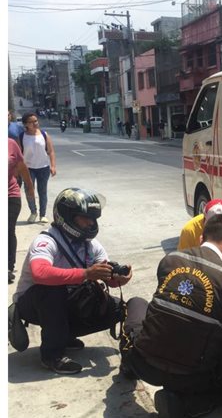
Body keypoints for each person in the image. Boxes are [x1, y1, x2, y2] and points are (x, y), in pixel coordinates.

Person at [122, 213, 222, 418]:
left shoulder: (170, 260)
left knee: (136, 303)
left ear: (202, 237)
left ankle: (128, 364)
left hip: (146, 364)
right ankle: (182, 406)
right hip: (191, 375)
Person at [10, 188, 130, 374]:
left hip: (69, 302)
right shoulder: (46, 241)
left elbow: (106, 277)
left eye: (94, 218)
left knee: (118, 308)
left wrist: (119, 278)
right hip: (35, 304)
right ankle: (52, 355)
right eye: (85, 218)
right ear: (67, 217)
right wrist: (86, 273)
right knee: (52, 290)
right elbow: (40, 273)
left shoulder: (91, 245)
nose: (91, 223)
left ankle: (65, 335)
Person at [19, 113, 55, 224]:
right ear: (26, 124)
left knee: (42, 191)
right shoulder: (22, 137)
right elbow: (19, 154)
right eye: (31, 122)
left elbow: (51, 151)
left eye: (36, 121)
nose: (35, 123)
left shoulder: (44, 135)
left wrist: (53, 166)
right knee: (29, 191)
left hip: (43, 167)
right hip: (28, 169)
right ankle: (33, 212)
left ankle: (42, 215)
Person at [8, 137, 35, 283]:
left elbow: (21, 166)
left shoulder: (10, 144)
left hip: (10, 194)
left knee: (7, 229)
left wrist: (29, 187)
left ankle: (8, 267)